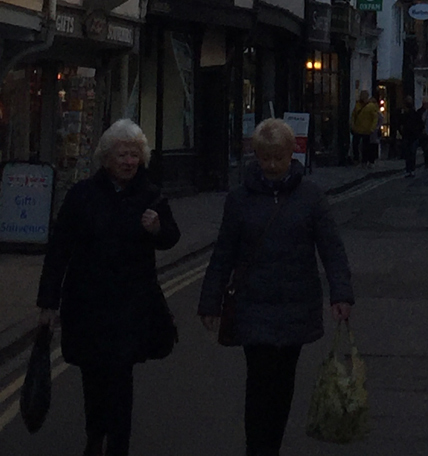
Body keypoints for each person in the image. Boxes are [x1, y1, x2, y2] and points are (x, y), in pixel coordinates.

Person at [199, 118, 354, 456]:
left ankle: (271, 444)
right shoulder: (239, 199)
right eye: (265, 158)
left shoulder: (310, 197)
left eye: (278, 158)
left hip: (296, 302)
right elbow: (223, 252)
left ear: (291, 155)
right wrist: (210, 301)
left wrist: (341, 294)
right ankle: (258, 449)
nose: (271, 166)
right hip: (253, 303)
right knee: (258, 381)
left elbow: (331, 247)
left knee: (283, 384)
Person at [36, 118, 181, 456]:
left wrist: (158, 229)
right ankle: (95, 433)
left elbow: (172, 238)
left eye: (134, 155)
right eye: (122, 155)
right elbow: (59, 250)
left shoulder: (150, 195)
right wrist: (48, 302)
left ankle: (117, 445)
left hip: (131, 304)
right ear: (106, 158)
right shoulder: (82, 196)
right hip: (87, 302)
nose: (129, 162)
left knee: (120, 377)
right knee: (93, 375)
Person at [349, 90, 379, 165]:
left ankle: (364, 160)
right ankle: (357, 158)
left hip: (366, 129)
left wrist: (372, 128)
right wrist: (352, 125)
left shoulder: (371, 106)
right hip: (357, 129)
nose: (361, 96)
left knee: (365, 146)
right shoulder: (358, 105)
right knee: (355, 144)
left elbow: (375, 118)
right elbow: (353, 115)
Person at [398, 96, 424, 177]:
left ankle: (410, 169)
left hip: (411, 136)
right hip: (410, 136)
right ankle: (410, 169)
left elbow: (401, 124)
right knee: (410, 154)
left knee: (410, 153)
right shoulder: (413, 113)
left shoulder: (409, 114)